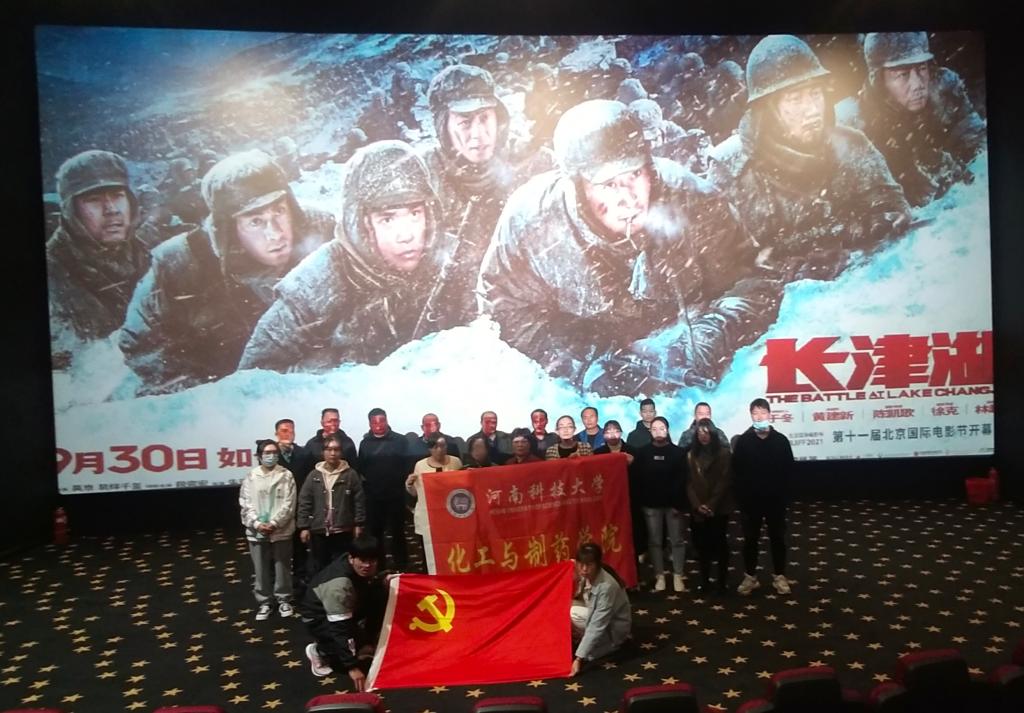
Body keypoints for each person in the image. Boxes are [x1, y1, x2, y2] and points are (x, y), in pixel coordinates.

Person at [480, 99, 777, 396]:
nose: (629, 198)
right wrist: (580, 360)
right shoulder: (532, 222)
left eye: (635, 174)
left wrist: (708, 336)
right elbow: (502, 309)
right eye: (608, 184)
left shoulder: (692, 199)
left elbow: (754, 281)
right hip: (581, 382)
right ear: (578, 186)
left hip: (688, 371)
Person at [119, 149, 333, 394]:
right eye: (255, 221)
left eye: (279, 212)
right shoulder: (179, 263)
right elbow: (142, 346)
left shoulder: (323, 232)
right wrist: (204, 395)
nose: (275, 233)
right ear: (229, 228)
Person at [237, 141, 457, 373]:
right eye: (388, 219)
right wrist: (336, 374)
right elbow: (249, 379)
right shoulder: (315, 283)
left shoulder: (455, 260)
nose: (406, 235)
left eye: (414, 214)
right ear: (360, 223)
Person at [709, 35, 912, 284]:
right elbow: (724, 267)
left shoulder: (850, 145)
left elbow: (895, 213)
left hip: (863, 279)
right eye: (796, 99)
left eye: (815, 93)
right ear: (767, 110)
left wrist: (867, 228)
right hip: (777, 298)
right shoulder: (730, 168)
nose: (813, 109)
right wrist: (783, 267)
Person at [417, 64, 521, 327]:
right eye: (464, 122)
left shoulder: (529, 162)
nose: (479, 134)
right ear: (443, 127)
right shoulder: (421, 177)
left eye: (485, 118)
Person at [836, 32, 986, 207]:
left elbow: (978, 149)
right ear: (880, 80)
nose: (918, 85)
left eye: (922, 69)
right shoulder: (854, 122)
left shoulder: (944, 90)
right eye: (903, 75)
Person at [46, 150, 158, 363]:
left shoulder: (150, 255)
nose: (111, 209)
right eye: (94, 200)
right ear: (71, 211)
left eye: (118, 196)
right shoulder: (53, 273)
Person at [301, 536, 388, 688]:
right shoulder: (338, 586)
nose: (367, 565)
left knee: (381, 594)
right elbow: (339, 628)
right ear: (351, 559)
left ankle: (364, 642)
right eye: (362, 560)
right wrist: (352, 667)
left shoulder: (359, 562)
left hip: (349, 604)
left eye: (372, 561)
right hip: (319, 618)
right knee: (344, 658)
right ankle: (320, 651)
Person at [732, 398, 794, 596]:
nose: (759, 417)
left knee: (778, 539)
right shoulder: (744, 441)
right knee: (750, 540)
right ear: (751, 416)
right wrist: (742, 500)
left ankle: (779, 576)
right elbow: (736, 472)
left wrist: (784, 498)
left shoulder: (781, 441)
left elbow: (789, 471)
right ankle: (750, 576)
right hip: (751, 503)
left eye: (763, 413)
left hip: (775, 501)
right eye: (755, 413)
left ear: (769, 414)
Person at [240, 439, 297, 620]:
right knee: (260, 568)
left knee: (283, 566)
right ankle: (264, 601)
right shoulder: (251, 476)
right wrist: (257, 524)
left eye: (274, 453)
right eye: (267, 453)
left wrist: (274, 522)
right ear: (259, 455)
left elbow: (289, 504)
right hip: (257, 530)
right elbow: (246, 503)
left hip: (280, 529)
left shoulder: (286, 475)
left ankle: (284, 599)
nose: (271, 456)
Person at [297, 435, 366, 576]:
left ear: (341, 452)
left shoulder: (350, 474)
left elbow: (359, 501)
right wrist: (303, 526)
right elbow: (304, 501)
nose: (333, 453)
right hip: (319, 530)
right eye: (329, 449)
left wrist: (359, 523)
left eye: (336, 449)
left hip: (343, 530)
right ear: (323, 452)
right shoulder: (314, 475)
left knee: (341, 567)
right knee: (320, 568)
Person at [633, 417, 687, 592]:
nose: (658, 431)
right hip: (651, 504)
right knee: (655, 541)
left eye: (662, 428)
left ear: (667, 430)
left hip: (673, 505)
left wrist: (679, 503)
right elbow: (638, 479)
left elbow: (683, 480)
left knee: (677, 540)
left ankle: (678, 574)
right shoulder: (642, 453)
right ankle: (659, 575)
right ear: (650, 431)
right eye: (654, 428)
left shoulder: (678, 452)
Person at [358, 408, 410, 570]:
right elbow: (362, 468)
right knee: (375, 534)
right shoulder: (365, 443)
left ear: (387, 420)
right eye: (375, 422)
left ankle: (402, 567)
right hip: (374, 497)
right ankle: (379, 568)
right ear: (369, 424)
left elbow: (407, 466)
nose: (379, 425)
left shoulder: (400, 440)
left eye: (382, 421)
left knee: (398, 532)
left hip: (396, 495)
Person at [686, 419, 734, 595]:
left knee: (720, 544)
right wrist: (697, 505)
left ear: (713, 434)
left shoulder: (724, 453)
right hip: (698, 508)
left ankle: (722, 582)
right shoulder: (691, 455)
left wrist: (711, 504)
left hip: (719, 508)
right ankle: (704, 582)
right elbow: (688, 483)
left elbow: (725, 480)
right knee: (702, 546)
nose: (703, 436)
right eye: (700, 433)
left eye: (706, 433)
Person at [570, 542, 632, 675]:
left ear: (597, 564)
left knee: (573, 613)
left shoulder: (606, 586)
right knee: (567, 608)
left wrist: (579, 658)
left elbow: (598, 624)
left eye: (589, 565)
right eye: (581, 564)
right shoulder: (587, 573)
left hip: (613, 629)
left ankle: (605, 645)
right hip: (595, 614)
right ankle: (586, 640)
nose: (584, 569)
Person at [594, 420, 643, 560]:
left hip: (630, 498)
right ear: (603, 435)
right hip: (607, 500)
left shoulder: (633, 451)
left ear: (621, 433)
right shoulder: (598, 453)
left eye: (615, 431)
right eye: (608, 431)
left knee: (632, 530)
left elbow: (642, 475)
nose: (612, 434)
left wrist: (633, 464)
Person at [406, 433, 463, 542]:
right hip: (428, 516)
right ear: (429, 449)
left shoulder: (456, 462)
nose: (439, 450)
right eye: (435, 447)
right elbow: (415, 493)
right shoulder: (420, 465)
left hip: (451, 514)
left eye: (442, 446)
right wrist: (409, 485)